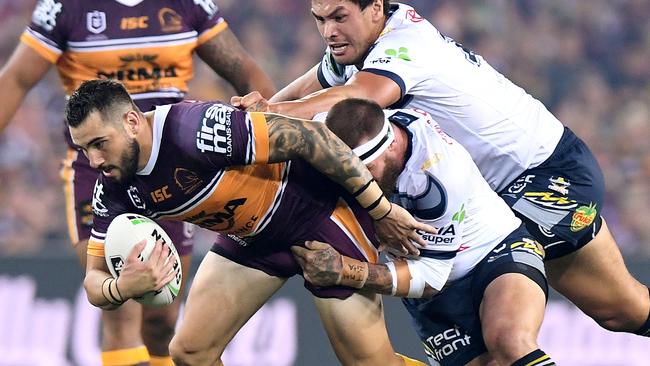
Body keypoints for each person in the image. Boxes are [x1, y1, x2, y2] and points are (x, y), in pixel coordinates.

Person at [234, 0, 650, 339]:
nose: (328, 32)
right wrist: (260, 112)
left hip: (545, 178)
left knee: (493, 324)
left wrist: (272, 114)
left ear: (376, 8)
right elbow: (315, 85)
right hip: (503, 185)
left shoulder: (405, 46)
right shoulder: (357, 43)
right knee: (621, 311)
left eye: (339, 17)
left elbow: (363, 95)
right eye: (319, 20)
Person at [65, 79, 433, 366]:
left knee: (368, 363)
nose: (94, 160)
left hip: (317, 214)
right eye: (84, 149)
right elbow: (93, 282)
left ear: (132, 122)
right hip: (252, 238)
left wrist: (380, 210)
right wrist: (123, 287)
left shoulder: (195, 130)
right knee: (190, 353)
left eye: (99, 143)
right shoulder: (113, 188)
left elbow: (313, 138)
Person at [0, 1, 276, 365]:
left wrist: (272, 130)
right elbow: (17, 79)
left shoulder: (187, 5)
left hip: (172, 171)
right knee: (121, 306)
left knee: (163, 316)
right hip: (100, 174)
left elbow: (245, 72)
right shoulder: (65, 7)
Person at [291, 99, 554, 366]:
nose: (360, 184)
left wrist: (345, 270)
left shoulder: (438, 175)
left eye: (367, 171)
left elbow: (431, 277)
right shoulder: (332, 131)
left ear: (391, 145)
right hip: (433, 294)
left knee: (509, 344)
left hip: (494, 254)